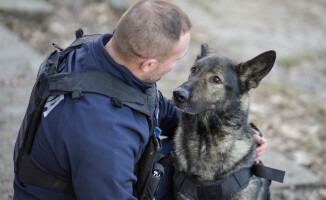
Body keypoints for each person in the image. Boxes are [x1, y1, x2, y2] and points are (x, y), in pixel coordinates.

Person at [13, 0, 267, 199]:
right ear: (148, 64)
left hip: (91, 173)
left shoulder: (102, 55)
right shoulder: (103, 132)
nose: (177, 70)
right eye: (176, 61)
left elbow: (164, 113)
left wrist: (239, 134)